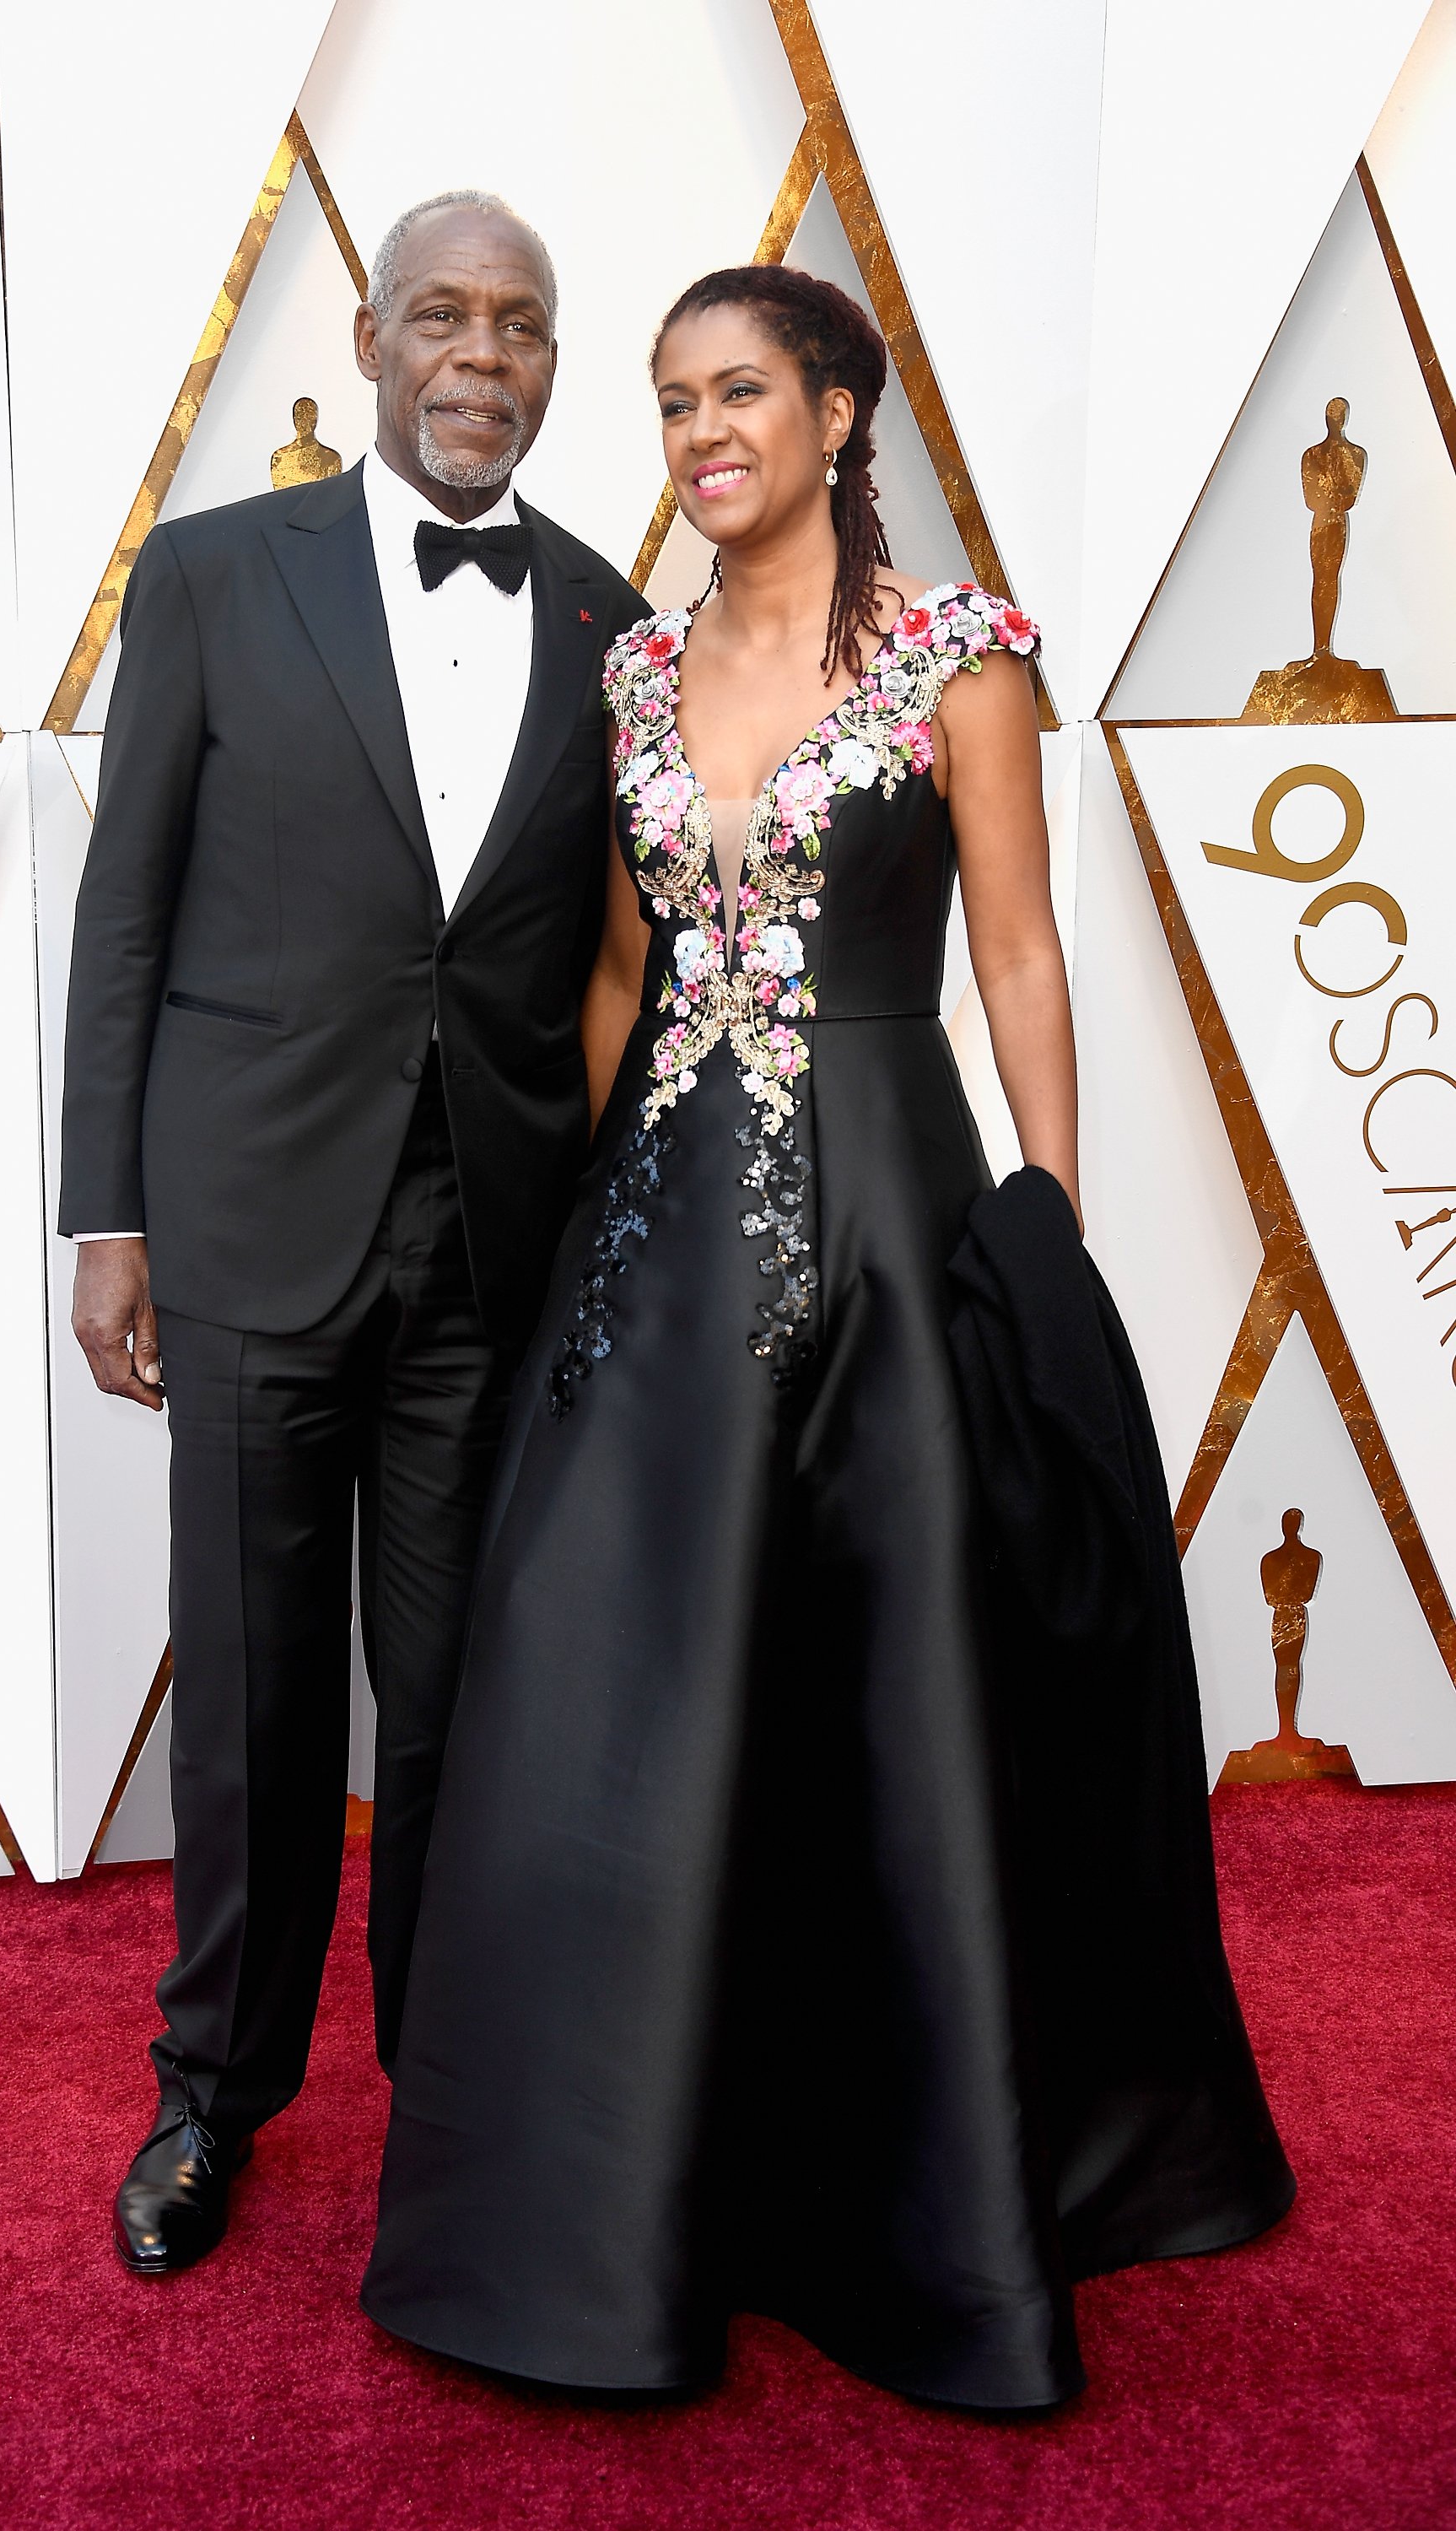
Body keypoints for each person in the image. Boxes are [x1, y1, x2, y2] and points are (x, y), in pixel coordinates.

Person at [361, 265, 1295, 2410]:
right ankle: (606, 2209)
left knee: (889, 1695)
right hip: (657, 1233)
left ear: (840, 411)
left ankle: (912, 2219)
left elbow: (1023, 949)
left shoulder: (958, 656)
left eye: (745, 391)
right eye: (680, 398)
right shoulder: (631, 666)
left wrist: (1043, 1219)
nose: (705, 432)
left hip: (884, 1210)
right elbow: (617, 968)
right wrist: (605, 1213)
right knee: (621, 1687)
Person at [58, 190, 646, 2275]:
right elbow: (124, 905)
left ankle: (455, 2092)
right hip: (239, 1223)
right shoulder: (216, 574)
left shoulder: (607, 614)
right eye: (447, 318)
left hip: (492, 1249)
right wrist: (105, 1214)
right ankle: (211, 2095)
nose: (485, 356)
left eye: (525, 322)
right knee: (250, 1691)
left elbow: (609, 951)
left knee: (467, 1696)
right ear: (373, 333)